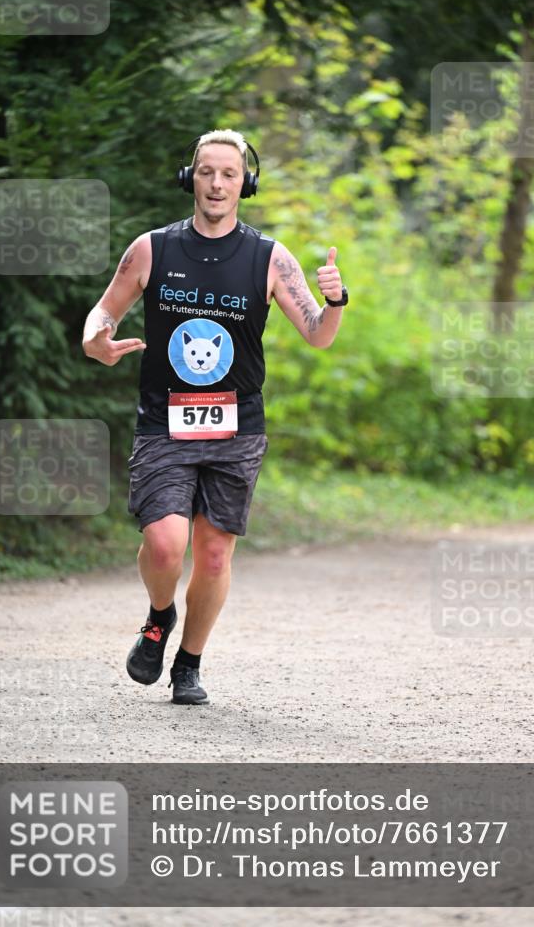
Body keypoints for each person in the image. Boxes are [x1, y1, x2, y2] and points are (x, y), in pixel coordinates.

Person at [82, 129, 348, 704]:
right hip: (164, 422)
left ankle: (189, 665)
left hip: (237, 427)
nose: (218, 183)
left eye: (230, 173)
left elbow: (319, 337)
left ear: (244, 183)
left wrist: (334, 301)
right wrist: (94, 339)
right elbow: (103, 309)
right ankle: (158, 618)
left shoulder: (270, 258)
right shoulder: (152, 249)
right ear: (191, 178)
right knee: (164, 544)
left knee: (213, 553)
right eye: (207, 172)